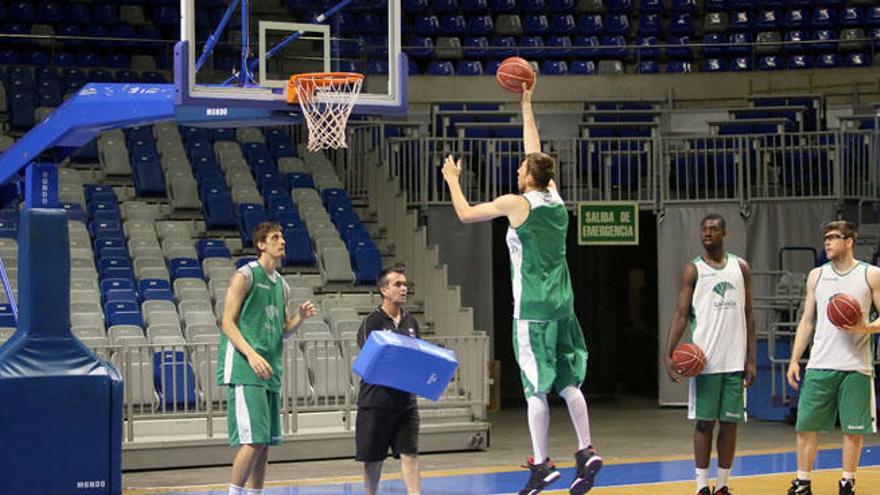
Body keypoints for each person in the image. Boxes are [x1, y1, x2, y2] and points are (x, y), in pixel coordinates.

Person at [441, 80, 602, 495]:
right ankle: (585, 450)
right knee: (569, 383)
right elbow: (535, 148)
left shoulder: (518, 203)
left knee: (535, 387)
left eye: (521, 168)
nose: (517, 169)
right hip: (563, 304)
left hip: (531, 308)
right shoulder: (555, 198)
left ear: (530, 177)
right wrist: (527, 104)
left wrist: (452, 179)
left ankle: (542, 463)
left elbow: (463, 214)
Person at [218, 222, 317, 495]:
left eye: (283, 237)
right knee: (253, 439)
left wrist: (300, 318)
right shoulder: (245, 275)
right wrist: (250, 355)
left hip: (269, 369)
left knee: (264, 443)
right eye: (275, 237)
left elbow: (284, 331)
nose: (282, 241)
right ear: (261, 244)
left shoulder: (282, 286)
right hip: (245, 366)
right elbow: (226, 322)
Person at [664, 213, 757, 495]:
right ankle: (702, 486)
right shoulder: (693, 270)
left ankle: (724, 485)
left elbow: (749, 316)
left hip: (734, 361)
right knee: (705, 424)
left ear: (724, 232)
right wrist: (668, 354)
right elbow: (681, 315)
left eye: (714, 229)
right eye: (704, 229)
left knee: (729, 424)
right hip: (705, 362)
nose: (708, 233)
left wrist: (750, 359)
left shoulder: (740, 267)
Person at [786, 220, 880, 495]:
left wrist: (866, 327)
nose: (827, 242)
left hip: (856, 366)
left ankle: (847, 482)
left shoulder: (870, 274)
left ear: (849, 241)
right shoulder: (816, 275)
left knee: (852, 430)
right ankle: (802, 482)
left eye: (834, 237)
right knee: (805, 426)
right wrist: (794, 359)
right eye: (825, 237)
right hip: (819, 364)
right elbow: (806, 321)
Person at [355, 264, 422, 495]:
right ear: (384, 290)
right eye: (398, 284)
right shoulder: (371, 323)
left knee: (410, 454)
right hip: (376, 403)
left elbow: (417, 357)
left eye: (405, 285)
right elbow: (371, 360)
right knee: (373, 460)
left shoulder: (411, 323)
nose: (404, 289)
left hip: (405, 403)